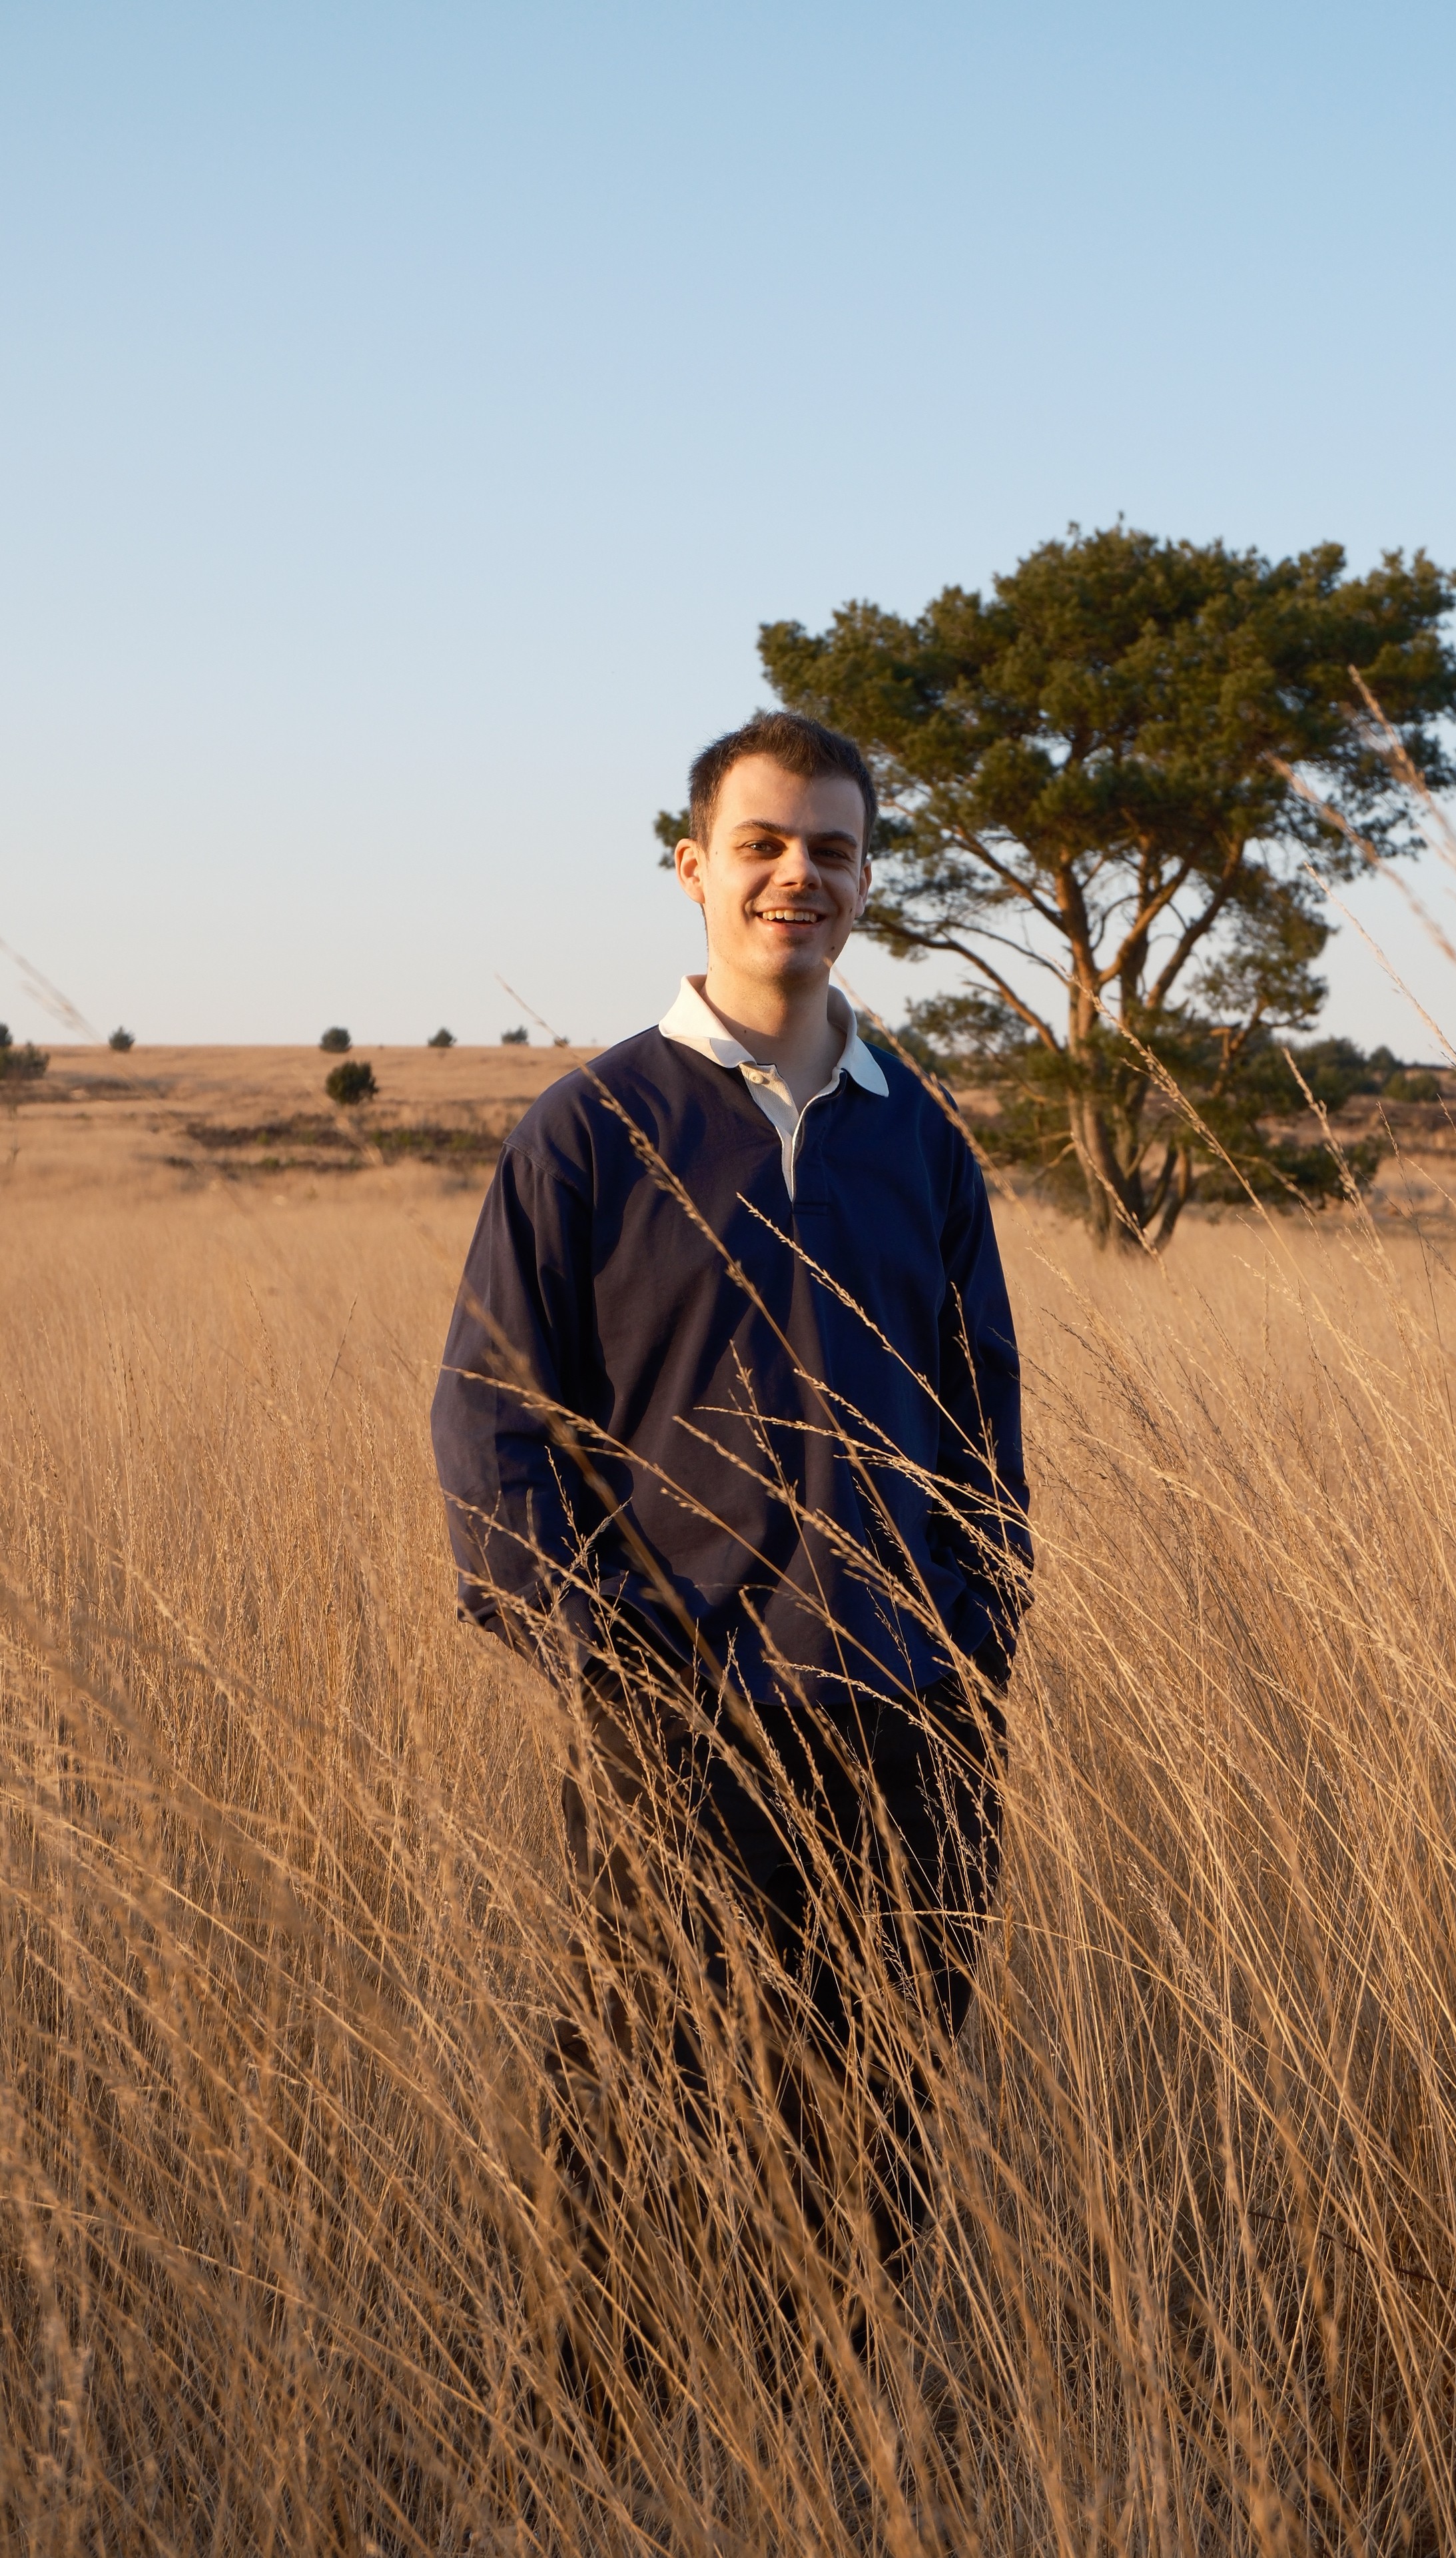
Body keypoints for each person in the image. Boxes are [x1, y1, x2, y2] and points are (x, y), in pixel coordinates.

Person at [430, 709, 1029, 2435]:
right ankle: (601, 2455)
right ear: (692, 867)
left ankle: (824, 2447)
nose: (797, 876)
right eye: (762, 843)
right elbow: (490, 1425)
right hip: (682, 1715)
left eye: (832, 848)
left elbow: (986, 1421)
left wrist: (972, 1646)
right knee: (643, 2098)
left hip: (908, 1717)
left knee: (877, 2115)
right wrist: (614, 1657)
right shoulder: (592, 1127)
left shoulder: (916, 1135)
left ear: (866, 884)